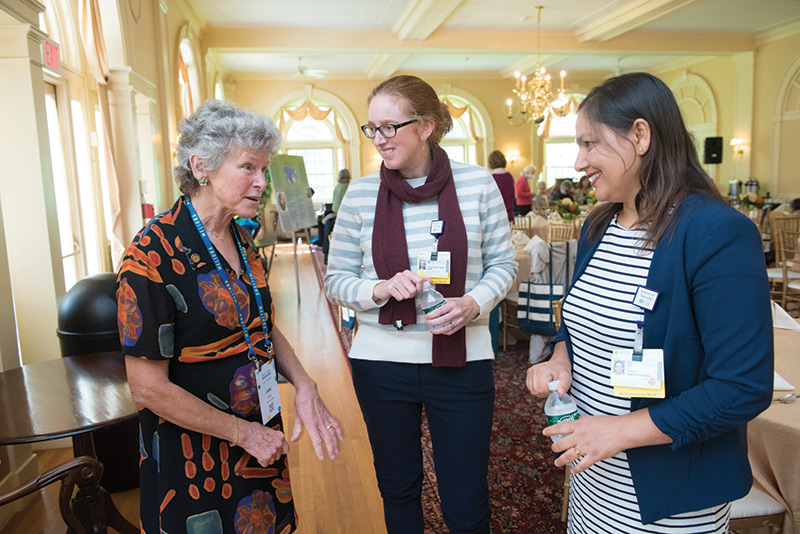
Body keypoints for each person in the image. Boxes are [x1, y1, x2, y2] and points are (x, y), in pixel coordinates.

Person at [525, 73, 773, 532]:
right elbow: (575, 321)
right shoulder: (599, 226)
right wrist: (560, 356)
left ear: (640, 135)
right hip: (592, 479)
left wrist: (617, 432)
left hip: (671, 496)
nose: (579, 161)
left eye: (590, 144)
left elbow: (742, 387)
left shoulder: (715, 233)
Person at [117, 100, 343, 534]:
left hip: (257, 432)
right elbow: (147, 387)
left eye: (264, 169)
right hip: (195, 451)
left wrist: (304, 383)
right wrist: (243, 434)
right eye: (248, 168)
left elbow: (259, 320)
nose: (262, 183)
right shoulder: (150, 255)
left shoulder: (240, 237)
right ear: (201, 166)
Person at [324, 75, 517, 534]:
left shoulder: (476, 185)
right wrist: (379, 290)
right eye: (373, 128)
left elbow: (505, 267)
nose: (379, 139)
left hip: (462, 361)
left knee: (466, 494)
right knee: (398, 487)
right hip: (381, 363)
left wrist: (473, 303)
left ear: (428, 126)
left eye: (390, 127)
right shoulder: (361, 195)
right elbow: (335, 281)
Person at [322, 168, 351, 263]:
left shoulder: (337, 186)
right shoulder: (348, 186)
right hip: (343, 215)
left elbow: (334, 201)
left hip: (334, 214)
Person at [488, 149, 515, 222]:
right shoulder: (509, 176)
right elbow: (512, 195)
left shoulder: (491, 178)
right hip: (509, 214)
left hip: (496, 216)